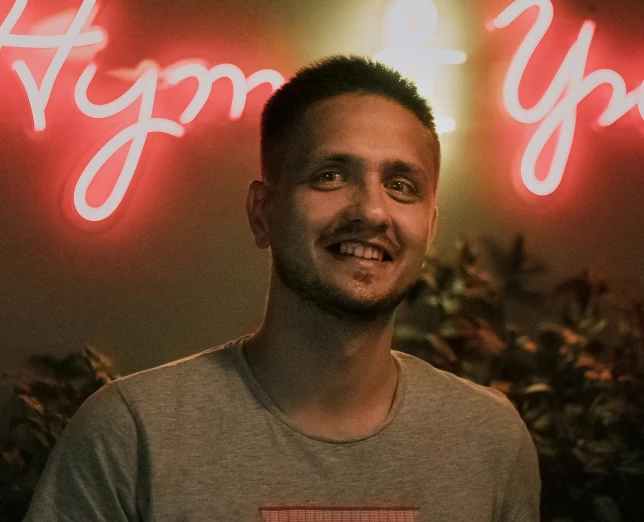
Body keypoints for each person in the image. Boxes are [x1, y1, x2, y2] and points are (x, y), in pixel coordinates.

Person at [24, 55, 541, 521]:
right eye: (331, 176)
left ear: (429, 228)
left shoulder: (488, 440)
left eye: (401, 185)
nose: (372, 210)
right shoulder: (134, 435)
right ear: (262, 213)